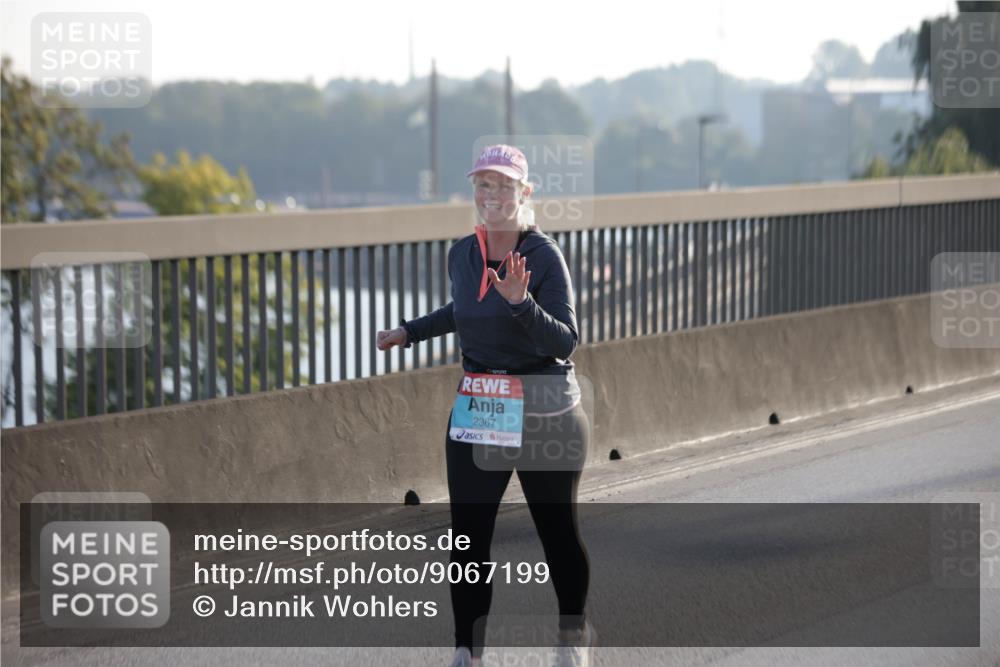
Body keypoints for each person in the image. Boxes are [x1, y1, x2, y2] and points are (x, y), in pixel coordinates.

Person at [376, 144, 593, 667]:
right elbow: (464, 307)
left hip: (544, 408)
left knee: (556, 534)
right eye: (483, 184)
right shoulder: (463, 253)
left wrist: (522, 303)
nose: (491, 194)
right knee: (468, 542)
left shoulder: (543, 256)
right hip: (482, 405)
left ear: (524, 192)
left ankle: (572, 639)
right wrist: (409, 332)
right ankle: (466, 654)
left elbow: (566, 341)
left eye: (503, 185)